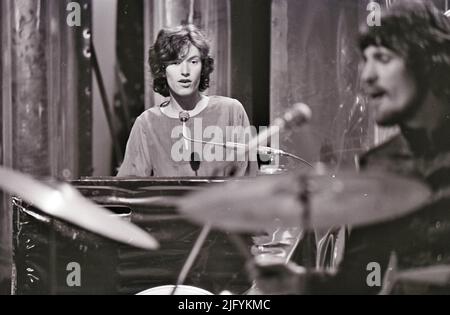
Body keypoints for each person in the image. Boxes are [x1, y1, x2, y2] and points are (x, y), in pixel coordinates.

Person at [257, 0, 450, 294]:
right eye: (365, 60)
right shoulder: (382, 164)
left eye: (383, 59)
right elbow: (358, 282)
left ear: (427, 60)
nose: (366, 76)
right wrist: (299, 283)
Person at [117, 24, 257, 177]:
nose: (185, 72)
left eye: (193, 61)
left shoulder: (231, 111)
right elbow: (129, 188)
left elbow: (249, 184)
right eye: (175, 63)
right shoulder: (146, 124)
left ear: (203, 67)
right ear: (162, 69)